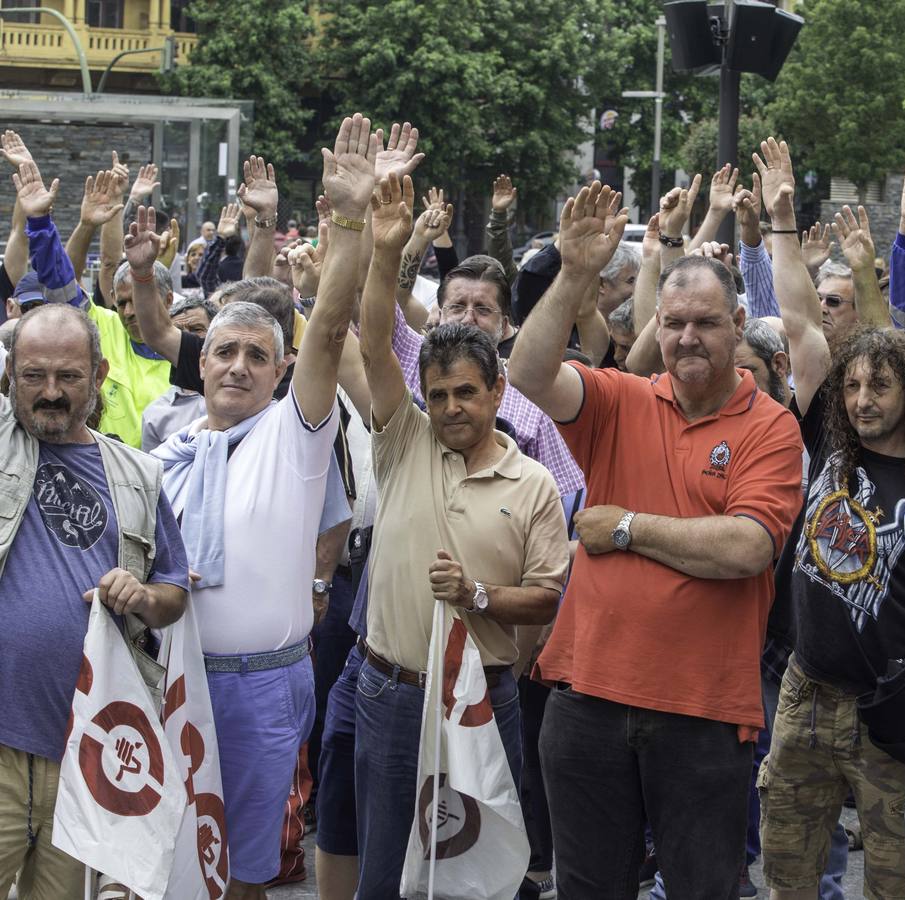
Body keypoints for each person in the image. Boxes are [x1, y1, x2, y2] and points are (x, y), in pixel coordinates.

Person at [508, 181, 804, 896]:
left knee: (702, 888)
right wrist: (576, 271)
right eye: (672, 324)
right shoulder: (621, 398)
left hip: (701, 714)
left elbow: (747, 548)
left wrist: (628, 529)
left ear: (737, 322)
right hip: (586, 701)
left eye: (704, 322)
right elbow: (525, 373)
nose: (686, 338)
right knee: (588, 887)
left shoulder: (772, 427)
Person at [142, 114, 377, 899]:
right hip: (165, 678)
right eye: (224, 352)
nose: (238, 366)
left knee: (244, 868)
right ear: (199, 363)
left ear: (281, 373)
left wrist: (346, 222)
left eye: (257, 356)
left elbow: (334, 322)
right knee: (160, 855)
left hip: (258, 688)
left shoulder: (295, 435)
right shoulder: (164, 451)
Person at [754, 135, 905, 900]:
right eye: (854, 387)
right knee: (787, 877)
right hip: (805, 692)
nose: (863, 399)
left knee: (893, 884)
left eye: (881, 385)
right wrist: (781, 221)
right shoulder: (827, 438)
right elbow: (803, 328)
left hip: (889, 712)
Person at [352, 171, 570, 896]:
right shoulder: (402, 440)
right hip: (394, 693)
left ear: (497, 390)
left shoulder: (534, 483)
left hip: (485, 697)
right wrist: (387, 250)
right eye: (437, 394)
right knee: (384, 871)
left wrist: (477, 597)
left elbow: (546, 599)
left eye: (465, 393)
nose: (449, 408)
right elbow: (377, 339)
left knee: (479, 875)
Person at [0, 303, 190, 898]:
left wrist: (143, 596)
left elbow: (174, 594)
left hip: (86, 754)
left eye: (68, 376)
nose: (50, 392)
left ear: (100, 373)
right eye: (33, 376)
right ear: (10, 375)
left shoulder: (138, 474)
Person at [9, 158, 172, 449]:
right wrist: (40, 223)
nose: (130, 312)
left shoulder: (189, 351)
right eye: (121, 303)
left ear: (169, 300)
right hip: (96, 471)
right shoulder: (102, 326)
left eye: (138, 300)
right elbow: (60, 285)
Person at [139, 297, 217, 451]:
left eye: (196, 329)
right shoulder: (155, 414)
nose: (186, 338)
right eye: (178, 332)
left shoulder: (236, 394)